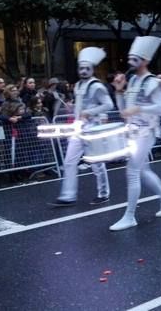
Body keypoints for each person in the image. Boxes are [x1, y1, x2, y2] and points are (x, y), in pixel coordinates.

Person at [109, 36, 161, 231]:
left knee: (132, 171)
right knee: (143, 170)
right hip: (133, 132)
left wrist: (138, 109)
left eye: (135, 57)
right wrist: (119, 91)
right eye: (130, 57)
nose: (131, 61)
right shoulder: (133, 81)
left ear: (145, 60)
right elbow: (123, 111)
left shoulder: (152, 82)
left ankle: (130, 216)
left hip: (146, 132)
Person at [49, 47, 113, 207]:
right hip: (79, 128)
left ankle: (103, 193)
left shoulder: (97, 86)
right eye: (81, 68)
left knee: (96, 163)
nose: (83, 71)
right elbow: (80, 106)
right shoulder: (77, 85)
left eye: (87, 68)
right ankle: (68, 196)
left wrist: (89, 112)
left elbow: (108, 105)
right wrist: (74, 110)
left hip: (92, 129)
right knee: (70, 161)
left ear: (92, 70)